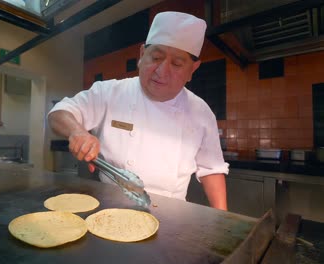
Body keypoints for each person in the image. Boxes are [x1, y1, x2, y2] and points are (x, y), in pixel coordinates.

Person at [47, 11, 228, 210]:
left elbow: (212, 169)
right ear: (142, 55)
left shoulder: (201, 112)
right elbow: (60, 112)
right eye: (156, 57)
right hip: (109, 208)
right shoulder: (109, 93)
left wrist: (223, 220)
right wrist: (77, 132)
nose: (161, 71)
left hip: (172, 217)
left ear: (192, 70)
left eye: (176, 64)